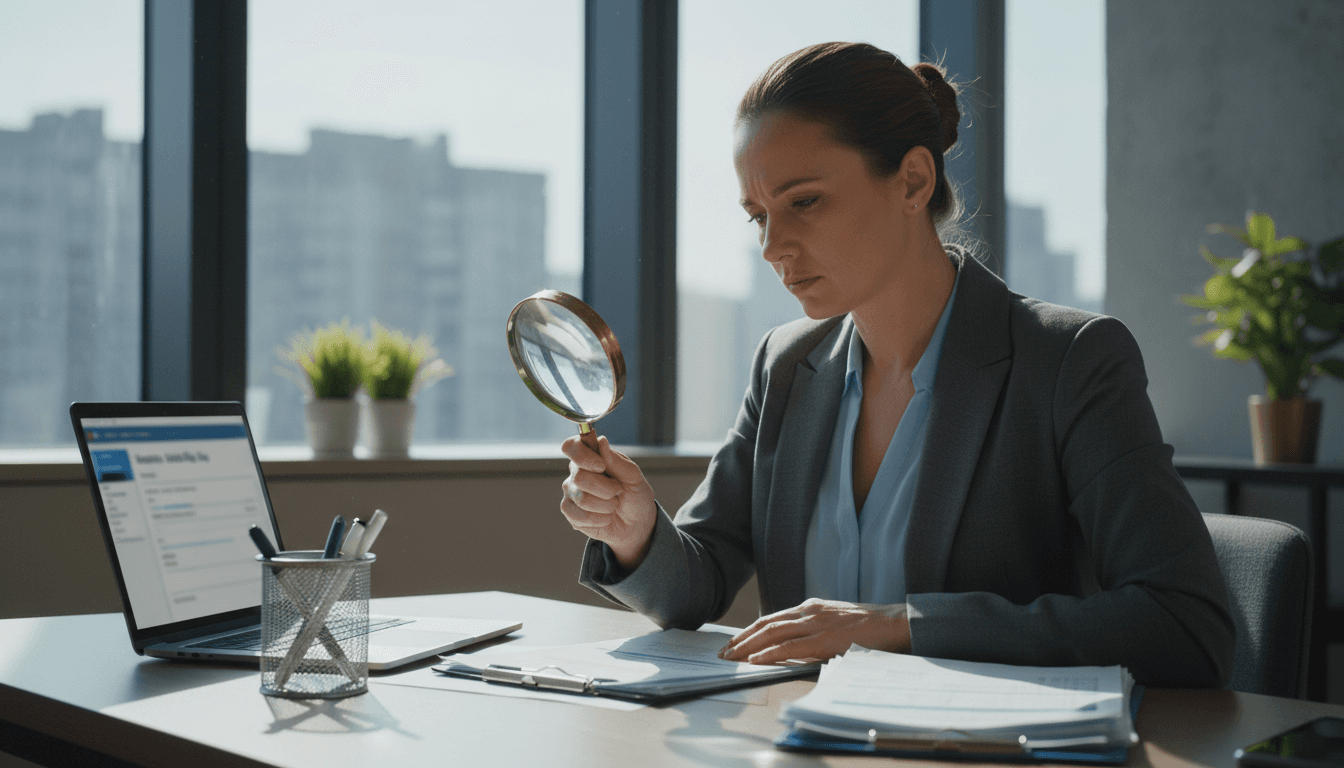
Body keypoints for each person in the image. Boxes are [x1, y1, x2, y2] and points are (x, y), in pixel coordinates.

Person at [558, 42, 1234, 687]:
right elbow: (699, 583)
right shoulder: (784, 366)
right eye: (757, 216)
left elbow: (1183, 623)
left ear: (913, 180)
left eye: (805, 202)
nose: (773, 246)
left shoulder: (1069, 362)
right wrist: (638, 531)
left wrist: (900, 627)